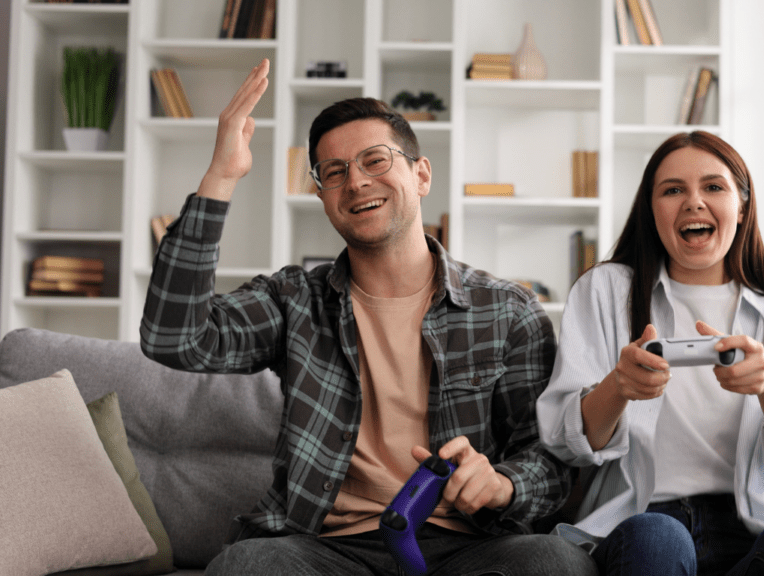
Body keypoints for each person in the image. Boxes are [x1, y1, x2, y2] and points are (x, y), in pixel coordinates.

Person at [140, 59, 597, 576]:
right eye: (334, 172)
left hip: (468, 545)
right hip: (327, 548)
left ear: (420, 174)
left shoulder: (507, 309)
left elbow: (550, 456)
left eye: (375, 161)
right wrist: (220, 177)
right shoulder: (294, 298)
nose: (355, 181)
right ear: (322, 195)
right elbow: (173, 338)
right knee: (246, 566)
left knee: (554, 562)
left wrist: (504, 484)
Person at [535, 131, 764, 576]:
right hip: (641, 529)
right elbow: (568, 444)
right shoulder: (605, 292)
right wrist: (617, 387)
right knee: (657, 535)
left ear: (742, 204)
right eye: (673, 190)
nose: (693, 202)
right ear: (651, 209)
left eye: (713, 187)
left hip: (752, 532)